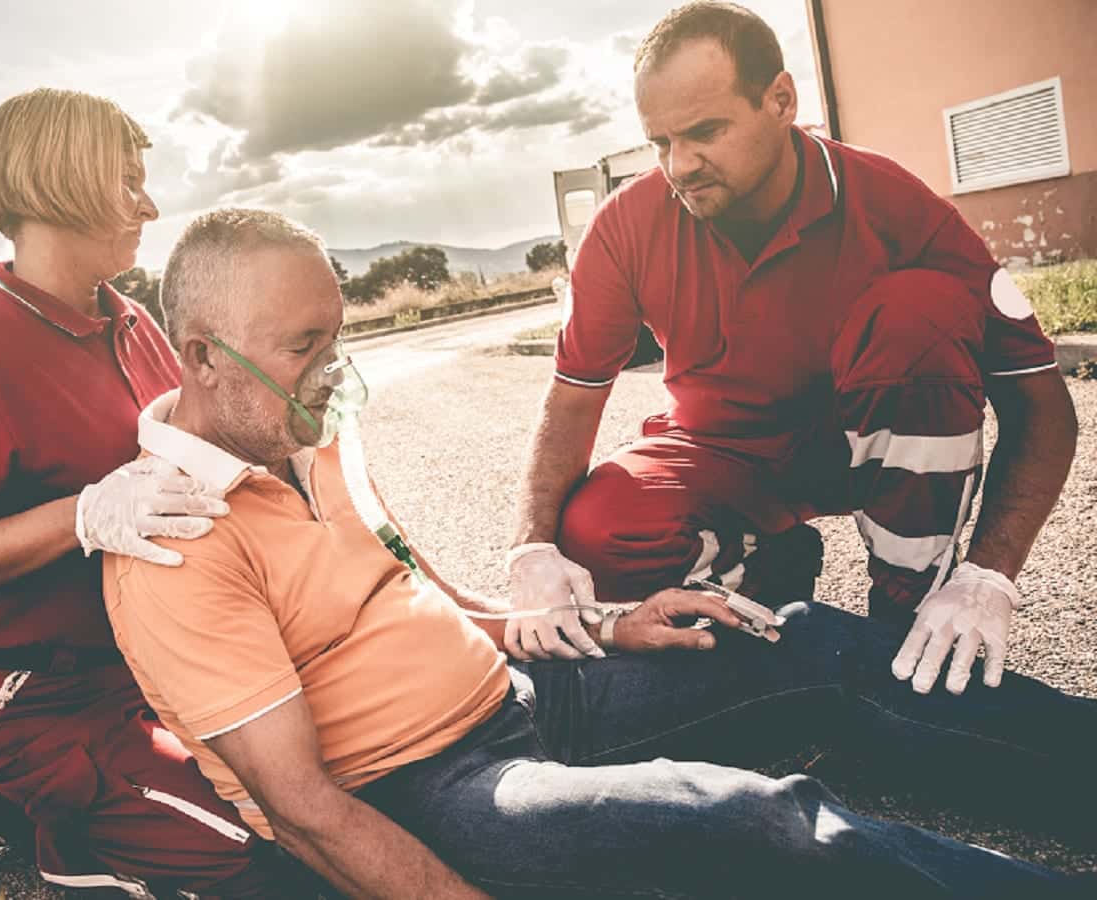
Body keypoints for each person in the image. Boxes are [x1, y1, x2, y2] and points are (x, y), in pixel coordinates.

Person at [101, 207, 1090, 898]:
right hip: (441, 792)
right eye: (302, 345)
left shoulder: (303, 436)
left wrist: (616, 625)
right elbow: (308, 810)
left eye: (337, 336)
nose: (332, 370)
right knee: (748, 818)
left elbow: (429, 593)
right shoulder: (169, 546)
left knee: (800, 641)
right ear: (197, 355)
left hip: (529, 698)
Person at [508, 2, 1079, 705]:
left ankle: (907, 606)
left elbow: (1041, 402)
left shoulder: (896, 205)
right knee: (596, 532)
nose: (679, 166)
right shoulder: (625, 227)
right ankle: (768, 571)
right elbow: (572, 394)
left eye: (705, 132)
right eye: (659, 142)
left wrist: (988, 575)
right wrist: (530, 547)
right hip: (725, 453)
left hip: (865, 445)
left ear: (781, 100)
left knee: (919, 317)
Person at [0, 89, 294, 898]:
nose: (151, 205)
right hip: (38, 701)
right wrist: (81, 515)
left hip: (158, 664)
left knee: (340, 786)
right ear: (61, 182)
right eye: (128, 181)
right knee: (264, 850)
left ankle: (77, 841)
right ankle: (69, 831)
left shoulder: (132, 321)